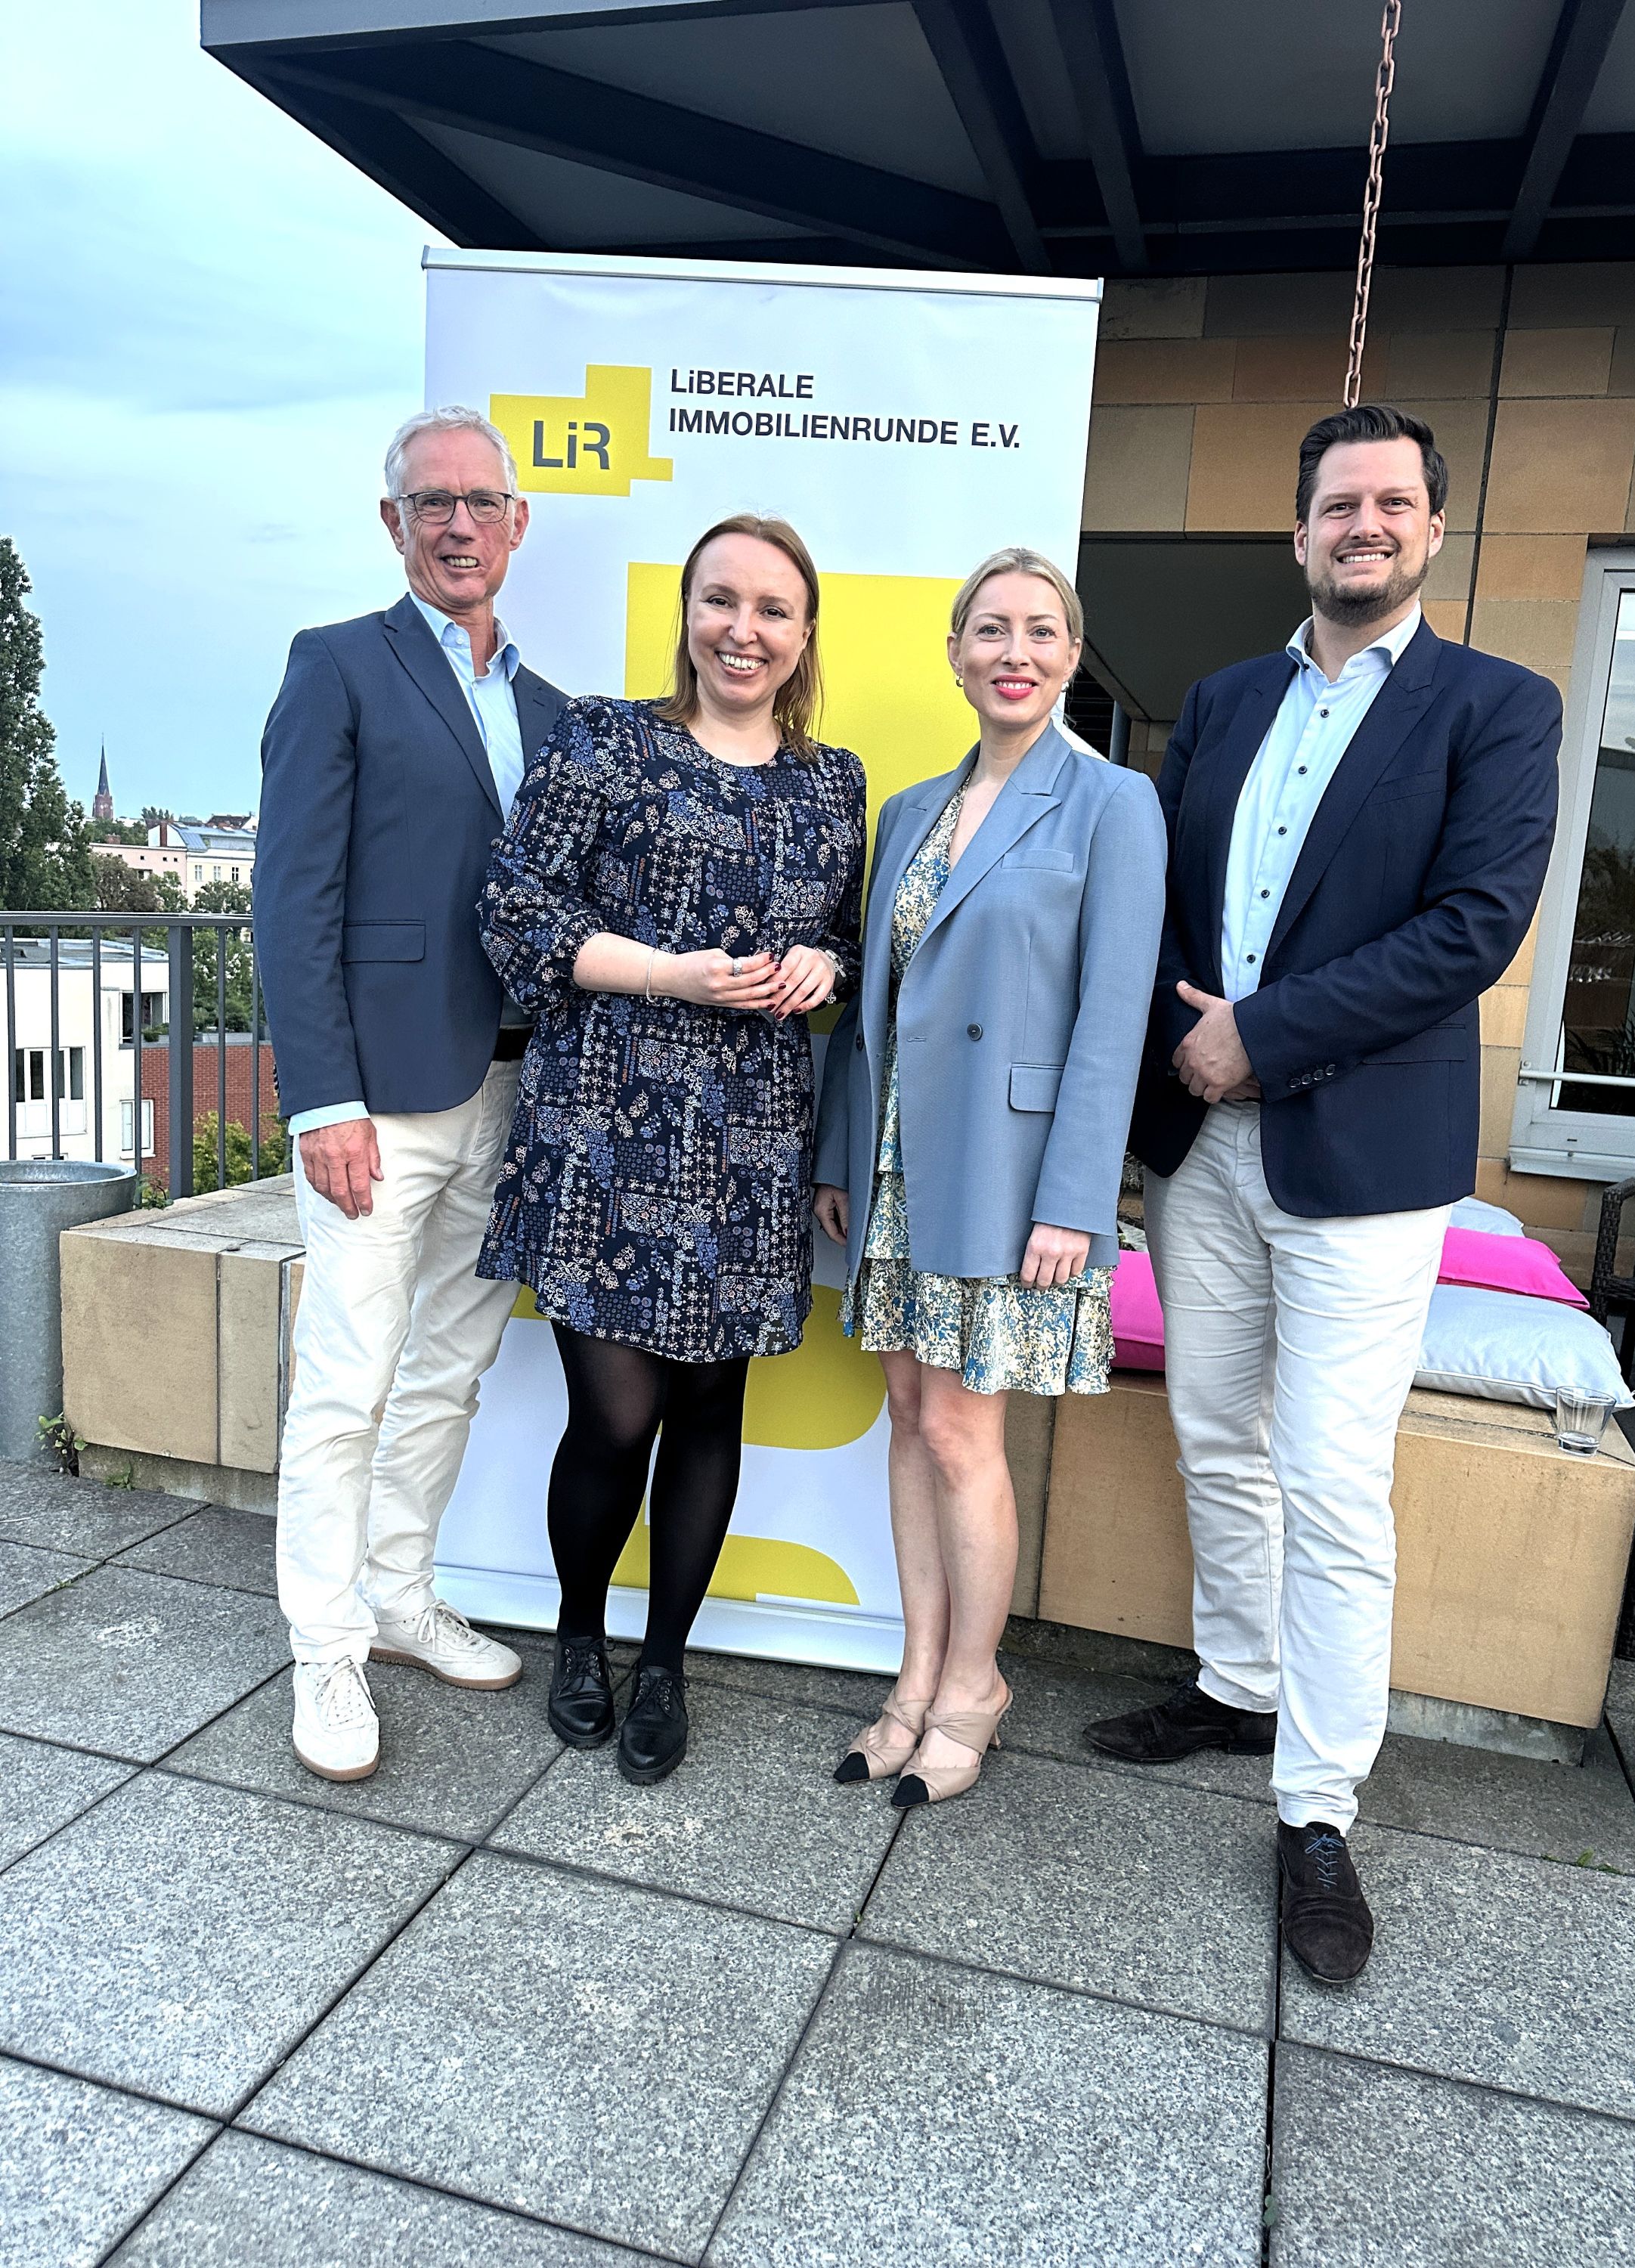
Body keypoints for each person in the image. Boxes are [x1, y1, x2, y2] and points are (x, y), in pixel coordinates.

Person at [1092, 404, 1562, 1981]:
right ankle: (1237, 1688)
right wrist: (1179, 1055)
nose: (1364, 523)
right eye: (1337, 503)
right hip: (1204, 1144)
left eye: (1392, 502)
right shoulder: (1225, 701)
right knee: (1216, 1436)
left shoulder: (1497, 707)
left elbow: (1472, 928)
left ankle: (1316, 1807)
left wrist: (1263, 1036)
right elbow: (1165, 901)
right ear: (1297, 533)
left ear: (1429, 528)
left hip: (1361, 1159)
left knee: (1334, 1480)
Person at [477, 513, 865, 1786]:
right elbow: (515, 907)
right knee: (614, 1414)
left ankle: (664, 1663)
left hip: (749, 1136)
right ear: (688, 613)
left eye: (772, 609)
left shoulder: (834, 782)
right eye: (721, 601)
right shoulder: (604, 737)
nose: (743, 630)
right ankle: (579, 1639)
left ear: (803, 634)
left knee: (708, 1407)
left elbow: (847, 943)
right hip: (605, 1115)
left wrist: (822, 968)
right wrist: (666, 973)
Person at [815, 548, 1166, 1808]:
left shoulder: (1113, 803)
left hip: (1011, 1176)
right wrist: (838, 1154)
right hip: (898, 1163)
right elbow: (870, 1010)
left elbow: (1115, 1015)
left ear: (1071, 656)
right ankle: (913, 1677)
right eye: (990, 629)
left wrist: (1075, 1196)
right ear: (956, 654)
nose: (1014, 651)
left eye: (1040, 629)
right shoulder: (910, 808)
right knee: (910, 1421)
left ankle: (973, 1686)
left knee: (965, 1433)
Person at [255, 404, 567, 1783]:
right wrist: (320, 1100)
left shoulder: (556, 714)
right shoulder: (337, 665)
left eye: (479, 501)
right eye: (430, 502)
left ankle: (397, 1595)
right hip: (380, 1102)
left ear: (517, 523)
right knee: (346, 1386)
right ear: (393, 523)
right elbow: (291, 897)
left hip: (514, 1093)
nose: (457, 524)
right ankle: (322, 1649)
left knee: (448, 1372)